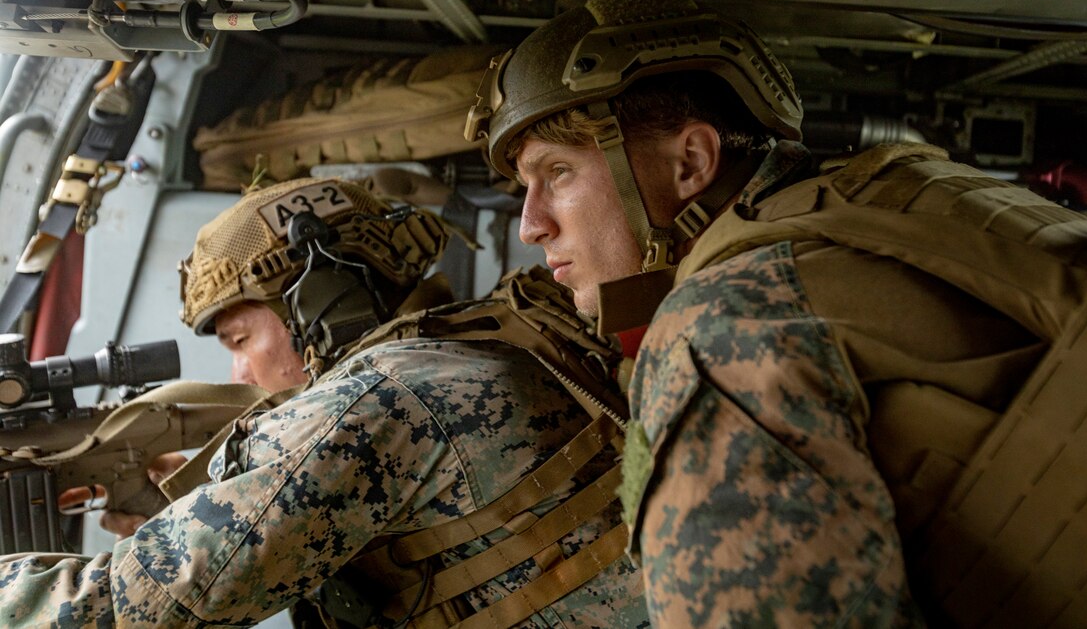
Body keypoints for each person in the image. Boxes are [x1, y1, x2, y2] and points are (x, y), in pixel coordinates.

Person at [465, 0, 1087, 627]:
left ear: (691, 163)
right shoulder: (902, 196)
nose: (530, 226)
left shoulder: (717, 330)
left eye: (559, 172)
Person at [0, 177, 648, 628]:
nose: (238, 370)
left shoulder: (370, 404)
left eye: (240, 338)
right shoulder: (474, 342)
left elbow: (114, 611)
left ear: (320, 301)